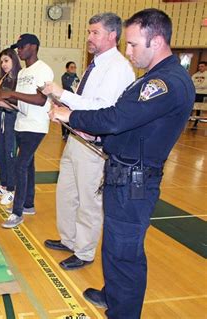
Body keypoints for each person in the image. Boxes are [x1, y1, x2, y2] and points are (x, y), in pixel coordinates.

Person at [47, 9, 195, 318]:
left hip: (135, 179)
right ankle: (113, 295)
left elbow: (116, 117)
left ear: (156, 41)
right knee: (114, 246)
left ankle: (123, 312)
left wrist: (70, 115)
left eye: (133, 44)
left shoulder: (165, 82)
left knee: (125, 251)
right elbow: (132, 128)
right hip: (123, 171)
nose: (128, 52)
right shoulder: (153, 78)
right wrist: (95, 135)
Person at [43, 13, 135, 271]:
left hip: (94, 145)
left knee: (88, 199)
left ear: (112, 36)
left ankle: (84, 251)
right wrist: (63, 103)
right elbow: (86, 102)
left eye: (95, 33)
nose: (89, 38)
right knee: (66, 192)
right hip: (76, 137)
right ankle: (69, 239)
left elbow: (103, 109)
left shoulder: (117, 68)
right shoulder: (95, 64)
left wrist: (62, 95)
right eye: (89, 32)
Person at [0, 34, 54, 228]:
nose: (18, 50)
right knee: (28, 166)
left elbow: (41, 99)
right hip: (21, 123)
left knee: (20, 165)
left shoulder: (43, 69)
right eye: (17, 47)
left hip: (36, 126)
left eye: (21, 46)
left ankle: (17, 212)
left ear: (33, 47)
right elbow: (21, 100)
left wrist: (11, 93)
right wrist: (3, 98)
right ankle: (28, 204)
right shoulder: (22, 73)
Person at [0, 48, 22, 206]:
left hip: (12, 119)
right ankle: (4, 184)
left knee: (10, 153)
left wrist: (5, 103)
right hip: (0, 117)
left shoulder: (20, 79)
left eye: (6, 60)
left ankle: (12, 189)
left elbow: (21, 104)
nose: (4, 64)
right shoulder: (3, 78)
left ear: (14, 60)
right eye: (1, 62)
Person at [60, 61, 79, 140]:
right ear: (67, 68)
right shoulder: (64, 77)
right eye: (71, 67)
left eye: (75, 67)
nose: (73, 69)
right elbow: (68, 86)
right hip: (66, 100)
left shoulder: (77, 78)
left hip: (73, 100)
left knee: (72, 116)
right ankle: (64, 133)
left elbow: (78, 87)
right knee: (64, 117)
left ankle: (71, 133)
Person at [191, 61, 206, 128]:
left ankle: (196, 124)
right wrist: (197, 86)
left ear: (206, 67)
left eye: (202, 66)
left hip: (203, 94)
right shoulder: (195, 75)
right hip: (195, 93)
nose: (200, 68)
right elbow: (191, 83)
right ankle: (189, 119)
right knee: (191, 106)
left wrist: (196, 85)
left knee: (198, 109)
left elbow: (204, 85)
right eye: (199, 66)